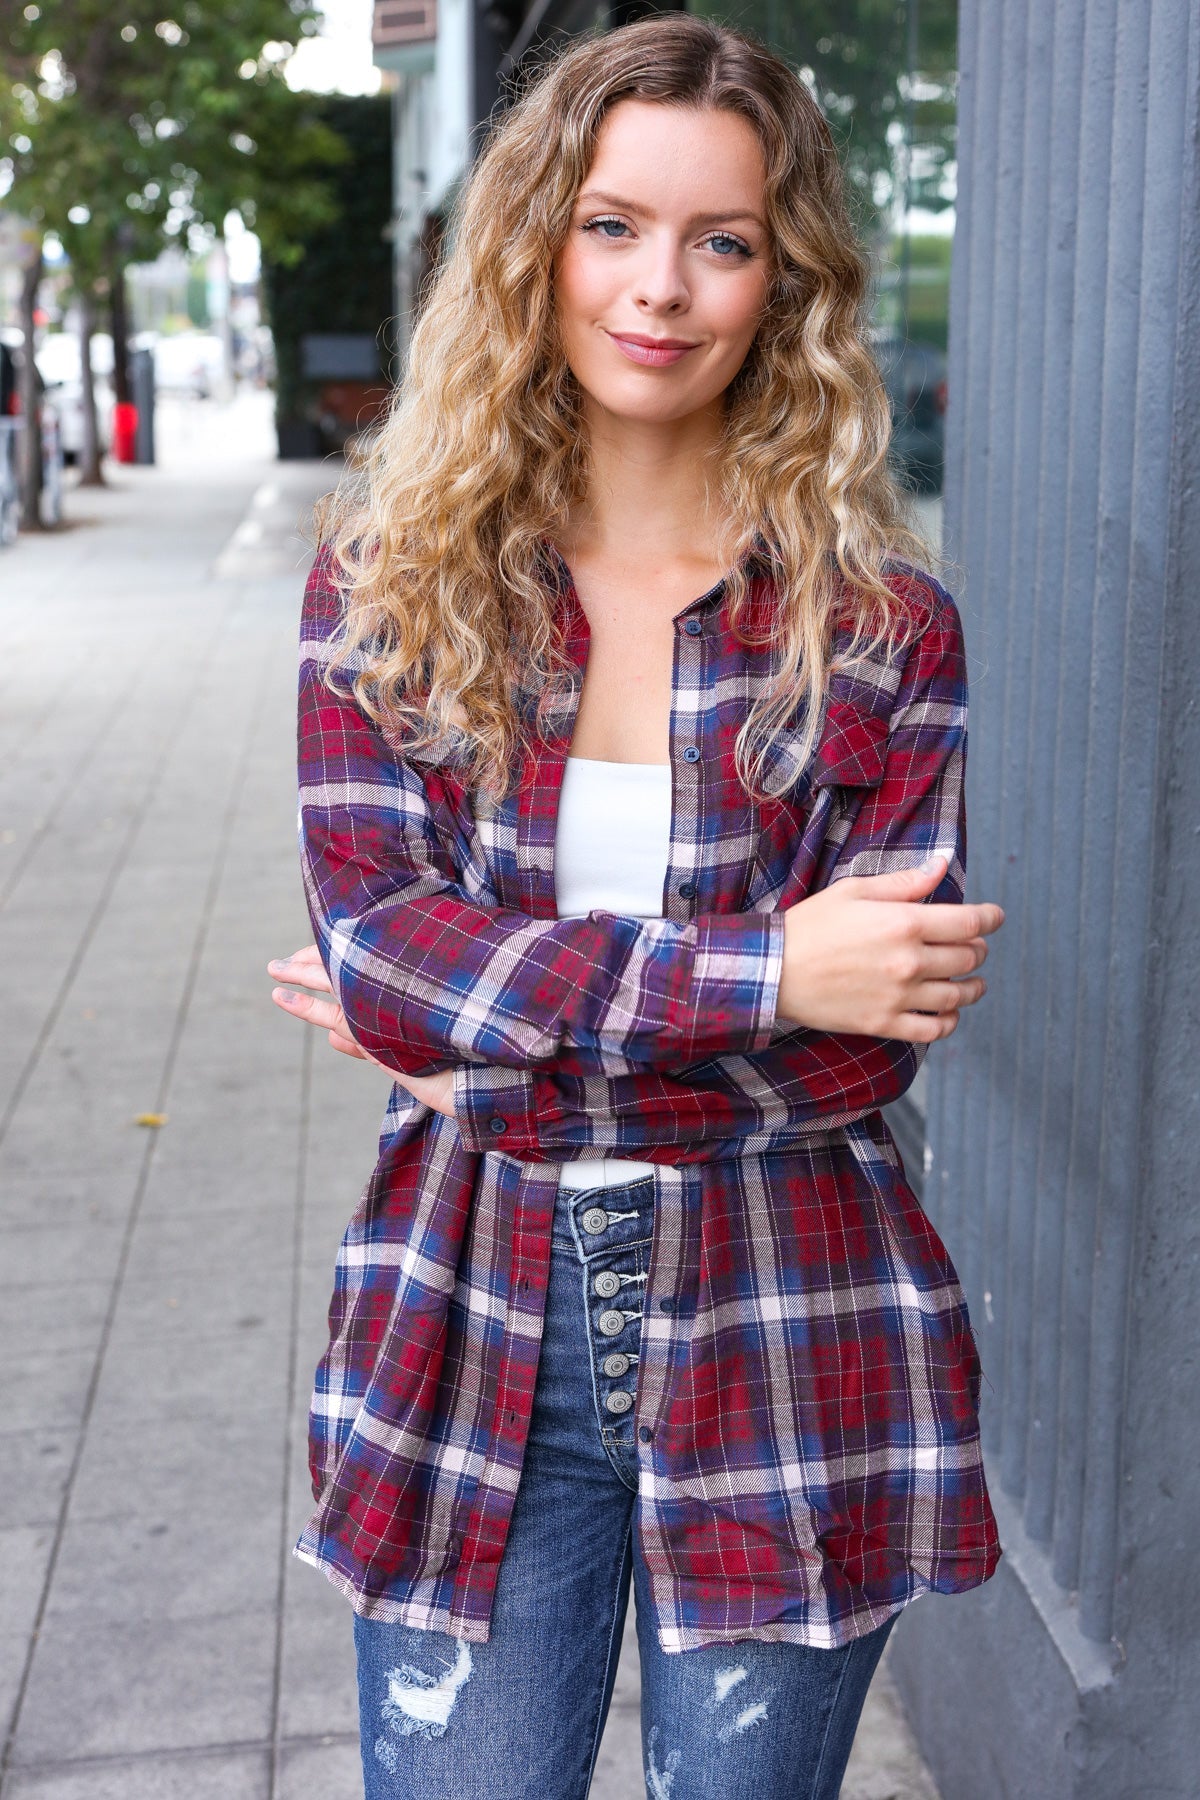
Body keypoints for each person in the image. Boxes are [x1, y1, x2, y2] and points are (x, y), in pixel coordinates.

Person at [267, 15, 1003, 1798]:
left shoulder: (880, 626)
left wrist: (485, 1064)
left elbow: (859, 1055)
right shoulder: (390, 590)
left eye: (721, 239)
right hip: (463, 1321)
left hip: (791, 1331)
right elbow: (385, 949)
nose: (659, 288)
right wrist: (773, 967)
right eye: (612, 225)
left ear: (786, 281)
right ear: (538, 245)